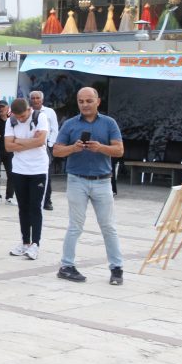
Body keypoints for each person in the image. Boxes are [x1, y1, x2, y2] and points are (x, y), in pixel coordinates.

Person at [52, 88, 125, 285]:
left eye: (89, 101)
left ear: (98, 102)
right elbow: (57, 151)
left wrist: (100, 148)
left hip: (102, 181)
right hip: (77, 180)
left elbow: (119, 150)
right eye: (81, 101)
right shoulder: (70, 124)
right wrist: (73, 148)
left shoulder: (109, 123)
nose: (85, 104)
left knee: (108, 226)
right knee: (75, 225)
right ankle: (66, 266)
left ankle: (116, 268)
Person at [4, 98, 50, 260]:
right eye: (18, 117)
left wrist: (18, 141)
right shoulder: (11, 121)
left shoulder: (40, 117)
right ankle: (25, 242)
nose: (21, 120)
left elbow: (40, 141)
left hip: (38, 169)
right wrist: (31, 141)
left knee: (35, 206)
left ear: (29, 110)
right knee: (23, 207)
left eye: (23, 116)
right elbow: (8, 146)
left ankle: (35, 244)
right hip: (19, 169)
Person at [30, 91, 60, 211]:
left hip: (45, 146)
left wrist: (50, 144)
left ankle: (47, 201)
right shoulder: (27, 112)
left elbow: (55, 129)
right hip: (29, 147)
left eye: (38, 98)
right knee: (30, 174)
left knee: (46, 174)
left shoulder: (49, 112)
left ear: (42, 100)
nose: (36, 100)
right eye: (33, 98)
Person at [0, 102, 15, 206]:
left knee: (12, 174)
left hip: (9, 150)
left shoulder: (12, 120)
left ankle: (9, 197)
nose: (1, 109)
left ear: (8, 108)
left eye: (3, 107)